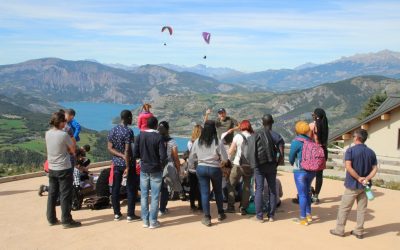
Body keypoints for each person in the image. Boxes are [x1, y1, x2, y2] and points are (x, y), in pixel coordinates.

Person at [330, 129, 377, 239]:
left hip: (352, 185)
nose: (353, 137)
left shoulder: (350, 151)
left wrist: (358, 178)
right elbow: (375, 169)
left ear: (357, 138)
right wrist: (367, 178)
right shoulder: (371, 152)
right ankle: (359, 231)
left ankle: (339, 229)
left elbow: (348, 167)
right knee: (362, 209)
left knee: (344, 208)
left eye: (353, 136)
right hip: (366, 186)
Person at [188, 120, 229, 227]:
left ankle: (207, 217)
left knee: (205, 193)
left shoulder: (197, 141)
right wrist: (220, 163)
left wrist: (193, 167)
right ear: (214, 129)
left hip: (201, 168)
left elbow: (192, 157)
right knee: (218, 191)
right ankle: (220, 213)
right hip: (215, 169)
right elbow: (225, 158)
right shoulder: (218, 141)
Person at [45, 111, 81, 228]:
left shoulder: (47, 133)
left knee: (52, 193)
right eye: (64, 122)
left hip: (52, 167)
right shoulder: (63, 135)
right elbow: (72, 150)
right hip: (63, 167)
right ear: (60, 123)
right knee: (65, 194)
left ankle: (51, 218)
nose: (65, 123)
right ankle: (66, 220)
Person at [247, 114, 285, 223]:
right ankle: (271, 215)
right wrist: (277, 163)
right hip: (271, 165)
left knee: (259, 189)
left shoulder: (256, 135)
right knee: (272, 189)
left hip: (259, 166)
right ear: (272, 123)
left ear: (262, 123)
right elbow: (281, 152)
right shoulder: (276, 135)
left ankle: (259, 217)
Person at [133, 116, 167, 229]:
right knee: (155, 196)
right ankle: (153, 221)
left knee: (144, 195)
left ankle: (145, 221)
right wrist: (161, 165)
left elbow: (135, 154)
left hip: (144, 169)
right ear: (156, 125)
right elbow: (163, 156)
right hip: (156, 169)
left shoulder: (139, 136)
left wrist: (142, 159)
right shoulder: (159, 137)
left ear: (147, 124)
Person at [107, 110, 139, 222]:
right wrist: (128, 166)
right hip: (127, 164)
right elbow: (127, 150)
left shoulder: (112, 130)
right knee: (131, 188)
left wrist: (119, 156)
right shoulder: (128, 131)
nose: (132, 120)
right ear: (128, 118)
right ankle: (130, 214)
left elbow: (110, 148)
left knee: (115, 188)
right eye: (131, 118)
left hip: (116, 164)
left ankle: (117, 214)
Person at [289, 121, 315, 226]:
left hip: (300, 171)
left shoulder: (296, 141)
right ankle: (309, 215)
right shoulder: (311, 141)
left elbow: (291, 157)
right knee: (308, 193)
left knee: (302, 194)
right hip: (312, 171)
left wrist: (292, 163)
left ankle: (303, 218)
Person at [226, 120, 254, 215]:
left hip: (238, 164)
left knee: (231, 184)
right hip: (249, 166)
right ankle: (243, 208)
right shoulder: (253, 136)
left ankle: (231, 207)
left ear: (241, 127)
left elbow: (230, 151)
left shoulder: (238, 136)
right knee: (246, 187)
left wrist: (227, 160)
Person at [158, 121, 182, 216]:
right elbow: (175, 157)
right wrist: (178, 168)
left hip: (156, 167)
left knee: (157, 189)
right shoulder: (172, 142)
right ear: (168, 130)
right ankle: (162, 209)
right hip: (167, 167)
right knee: (164, 188)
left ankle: (156, 208)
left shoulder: (156, 139)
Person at [310, 108, 329, 204]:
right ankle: (316, 196)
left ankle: (309, 190)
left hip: (313, 151)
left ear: (315, 116)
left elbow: (308, 138)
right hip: (323, 151)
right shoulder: (325, 125)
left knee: (307, 172)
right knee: (319, 175)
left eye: (313, 115)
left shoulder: (312, 125)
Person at [187, 124, 203, 212]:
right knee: (201, 186)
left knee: (192, 187)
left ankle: (192, 205)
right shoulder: (202, 142)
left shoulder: (190, 142)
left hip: (191, 167)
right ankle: (201, 205)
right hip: (200, 166)